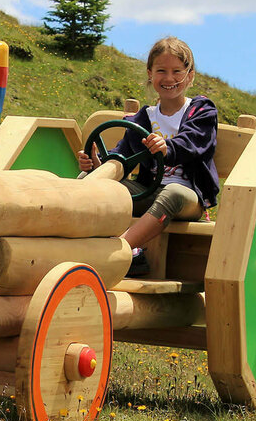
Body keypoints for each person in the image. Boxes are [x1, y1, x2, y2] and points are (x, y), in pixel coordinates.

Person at [78, 37, 218, 277]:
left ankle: (119, 251)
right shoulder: (143, 117)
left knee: (171, 193)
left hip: (188, 197)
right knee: (91, 181)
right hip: (149, 190)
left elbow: (194, 143)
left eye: (177, 71)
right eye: (161, 71)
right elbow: (123, 156)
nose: (169, 78)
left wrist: (167, 148)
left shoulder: (200, 110)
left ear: (190, 76)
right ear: (150, 74)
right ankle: (78, 242)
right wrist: (97, 165)